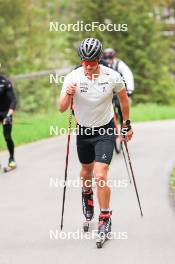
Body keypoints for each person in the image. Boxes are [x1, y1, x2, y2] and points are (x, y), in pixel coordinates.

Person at [58, 38, 133, 237]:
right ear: (81, 59)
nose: (88, 65)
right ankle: (86, 194)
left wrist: (126, 125)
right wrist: (68, 94)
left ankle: (105, 217)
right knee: (86, 172)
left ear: (99, 59)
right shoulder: (73, 77)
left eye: (92, 61)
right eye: (85, 61)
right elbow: (61, 108)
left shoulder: (112, 76)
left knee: (100, 175)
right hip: (83, 131)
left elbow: (124, 101)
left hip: (105, 130)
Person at [103, 48, 135, 123]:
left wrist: (130, 90)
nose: (108, 60)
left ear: (114, 57)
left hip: (120, 89)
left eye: (110, 58)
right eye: (106, 58)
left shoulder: (119, 64)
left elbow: (128, 75)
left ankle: (123, 125)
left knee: (121, 107)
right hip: (109, 89)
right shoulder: (103, 65)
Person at [0, 72, 17, 169]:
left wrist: (8, 115)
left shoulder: (5, 82)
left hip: (6, 113)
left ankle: (12, 158)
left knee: (7, 137)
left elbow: (13, 100)